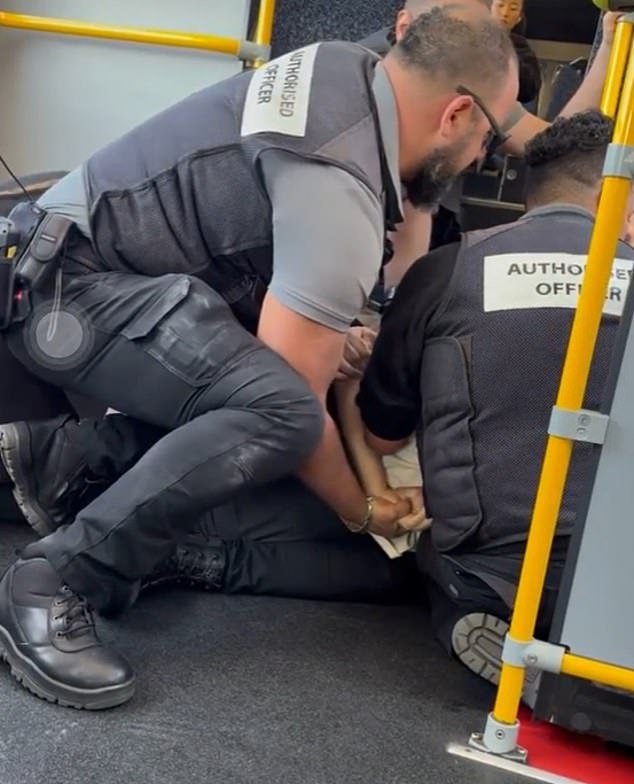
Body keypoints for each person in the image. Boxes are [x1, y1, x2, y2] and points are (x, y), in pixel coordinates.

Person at [4, 112, 629, 705]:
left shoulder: (446, 267)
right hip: (603, 580)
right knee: (339, 494)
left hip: (477, 566)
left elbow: (382, 433)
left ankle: (84, 474)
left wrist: (371, 484)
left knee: (340, 483)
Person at [350, 110, 634, 699]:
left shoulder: (445, 270)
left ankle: (499, 631)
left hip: (496, 569)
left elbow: (381, 433)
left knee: (431, 546)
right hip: (618, 570)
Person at [360, 0, 619, 268]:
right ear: (404, 27)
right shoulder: (353, 83)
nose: (481, 150)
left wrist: (608, 49)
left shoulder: (477, 83)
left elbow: (556, 143)